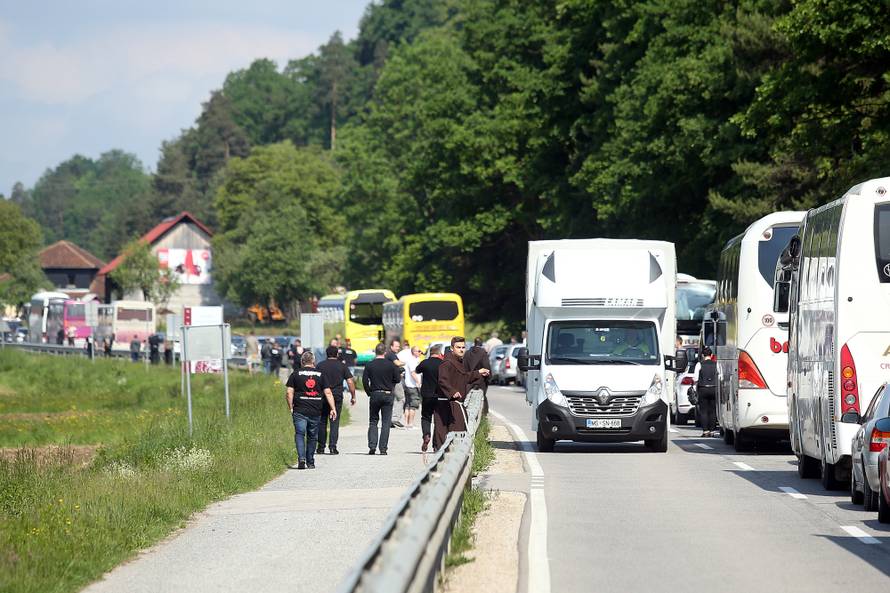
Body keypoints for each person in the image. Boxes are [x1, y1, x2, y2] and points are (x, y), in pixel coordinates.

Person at [435, 336, 490, 449]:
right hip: (446, 404)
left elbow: (464, 377)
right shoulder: (447, 363)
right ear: (452, 348)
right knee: (446, 434)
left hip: (456, 404)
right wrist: (452, 391)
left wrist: (479, 372)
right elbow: (442, 380)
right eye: (458, 347)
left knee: (459, 433)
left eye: (463, 347)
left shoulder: (458, 362)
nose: (461, 350)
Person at [286, 351, 337, 470]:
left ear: (302, 361)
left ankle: (301, 458)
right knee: (312, 436)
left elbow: (289, 392)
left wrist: (291, 407)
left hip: (299, 409)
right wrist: (333, 408)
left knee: (299, 434)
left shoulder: (295, 374)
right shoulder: (321, 374)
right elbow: (328, 392)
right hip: (315, 410)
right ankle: (310, 461)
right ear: (313, 361)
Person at [362, 342, 401, 455]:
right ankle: (383, 449)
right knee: (386, 422)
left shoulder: (369, 365)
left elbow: (365, 381)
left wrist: (369, 392)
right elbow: (397, 379)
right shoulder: (391, 365)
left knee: (373, 421)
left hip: (375, 393)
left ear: (375, 351)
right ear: (385, 352)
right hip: (388, 394)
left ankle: (372, 446)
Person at [316, 345, 356, 455]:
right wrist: (353, 396)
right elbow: (350, 382)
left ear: (326, 354)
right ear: (337, 354)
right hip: (337, 396)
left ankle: (321, 447)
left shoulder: (320, 366)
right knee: (334, 422)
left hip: (323, 396)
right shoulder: (342, 366)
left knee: (322, 422)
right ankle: (333, 447)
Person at [416, 345, 445, 452]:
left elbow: (417, 370)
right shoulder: (442, 364)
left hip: (427, 395)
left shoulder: (425, 363)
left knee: (426, 417)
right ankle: (436, 445)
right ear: (439, 353)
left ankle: (426, 435)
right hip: (439, 395)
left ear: (430, 353)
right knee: (438, 420)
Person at [694, 346, 718, 437]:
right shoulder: (716, 364)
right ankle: (712, 431)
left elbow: (695, 378)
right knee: (713, 410)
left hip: (703, 388)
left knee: (703, 411)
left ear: (703, 355)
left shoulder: (699, 364)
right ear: (711, 355)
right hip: (714, 388)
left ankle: (705, 431)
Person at [402, 346, 423, 429]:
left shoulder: (413, 360)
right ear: (414, 352)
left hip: (408, 385)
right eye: (419, 351)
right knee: (413, 405)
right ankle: (410, 424)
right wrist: (418, 382)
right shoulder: (412, 361)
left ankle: (406, 423)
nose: (420, 352)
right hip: (412, 385)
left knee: (407, 404)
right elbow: (413, 373)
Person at [386, 339, 406, 428]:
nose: (398, 348)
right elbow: (397, 363)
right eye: (396, 346)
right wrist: (406, 362)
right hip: (395, 380)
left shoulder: (390, 354)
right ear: (391, 346)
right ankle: (395, 418)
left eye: (398, 346)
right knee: (401, 398)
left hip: (390, 380)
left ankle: (389, 420)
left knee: (393, 400)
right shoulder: (391, 355)